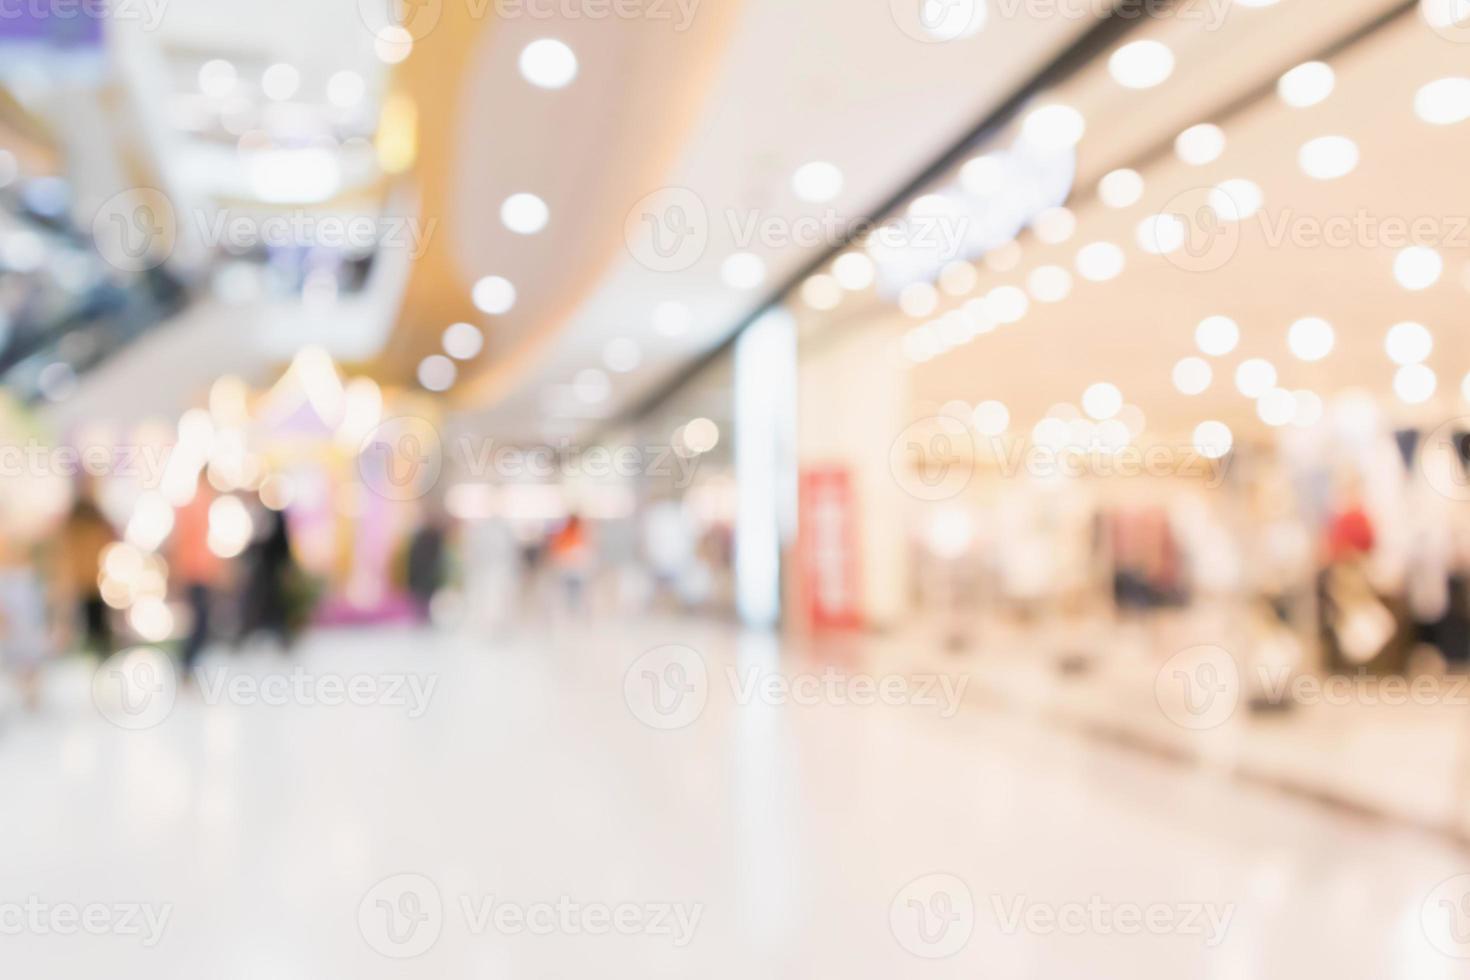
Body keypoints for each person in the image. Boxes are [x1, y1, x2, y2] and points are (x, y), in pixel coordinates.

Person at [170, 479, 224, 679]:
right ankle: (186, 665)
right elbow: (183, 543)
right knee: (200, 622)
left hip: (200, 572)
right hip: (194, 573)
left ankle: (188, 666)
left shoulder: (204, 505)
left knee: (202, 621)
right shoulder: (195, 506)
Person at [58, 495, 114, 655]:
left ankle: (97, 652)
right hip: (88, 582)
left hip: (91, 583)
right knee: (91, 625)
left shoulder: (84, 525)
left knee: (96, 625)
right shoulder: (82, 525)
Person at [0, 538, 49, 712]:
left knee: (31, 659)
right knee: (16, 660)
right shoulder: (5, 578)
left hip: (29, 626)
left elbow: (37, 602)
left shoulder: (29, 576)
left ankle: (32, 694)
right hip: (15, 629)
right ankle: (27, 692)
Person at [240, 507, 295, 649]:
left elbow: (283, 543)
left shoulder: (277, 516)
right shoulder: (252, 513)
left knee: (273, 604)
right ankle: (242, 640)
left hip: (272, 570)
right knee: (256, 604)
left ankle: (283, 640)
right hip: (259, 571)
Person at [406, 515, 448, 623]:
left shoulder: (434, 537)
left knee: (425, 604)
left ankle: (423, 620)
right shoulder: (423, 537)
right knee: (420, 604)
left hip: (427, 580)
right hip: (422, 580)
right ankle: (421, 620)